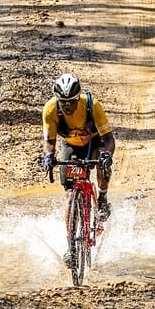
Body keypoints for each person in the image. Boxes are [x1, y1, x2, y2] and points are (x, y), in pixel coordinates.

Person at [41, 72, 115, 219]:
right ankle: (71, 239)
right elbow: (50, 141)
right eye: (63, 102)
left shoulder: (92, 105)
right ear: (57, 100)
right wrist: (49, 155)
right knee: (69, 193)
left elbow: (108, 139)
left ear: (78, 97)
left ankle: (102, 199)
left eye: (72, 101)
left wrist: (107, 155)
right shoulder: (50, 110)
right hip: (70, 144)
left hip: (94, 142)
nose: (67, 106)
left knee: (102, 163)